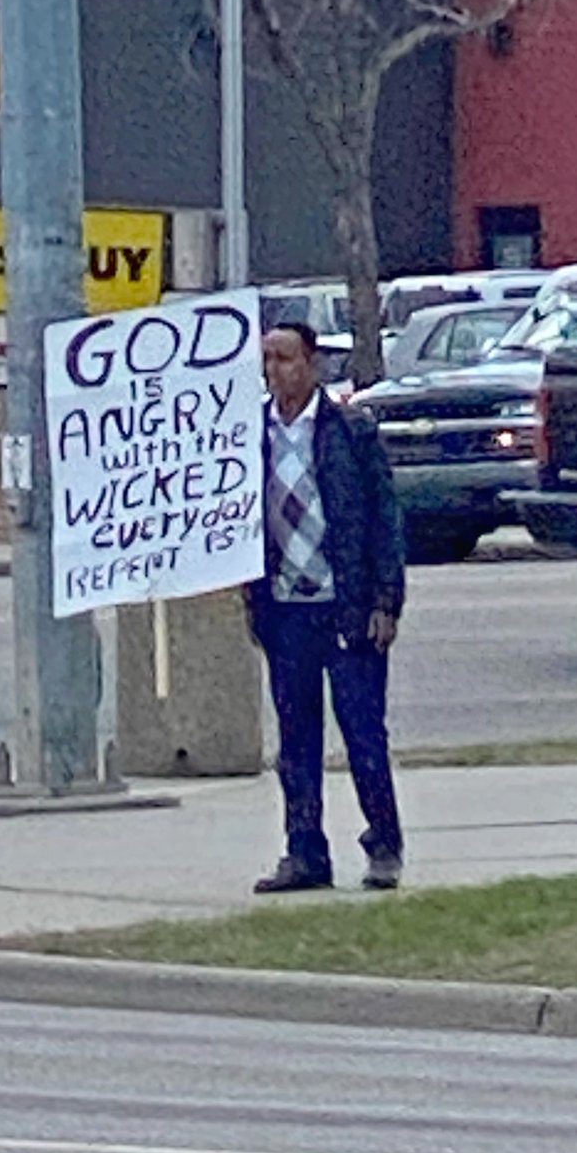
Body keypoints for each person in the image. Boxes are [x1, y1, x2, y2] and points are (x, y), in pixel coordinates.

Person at [245, 321, 406, 893]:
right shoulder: (251, 436)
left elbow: (384, 520)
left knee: (363, 731)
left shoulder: (349, 431)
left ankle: (384, 844)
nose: (275, 370)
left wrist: (386, 600)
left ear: (312, 364)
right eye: (267, 360)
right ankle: (305, 852)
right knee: (296, 738)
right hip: (285, 611)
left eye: (286, 358)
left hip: (347, 606)